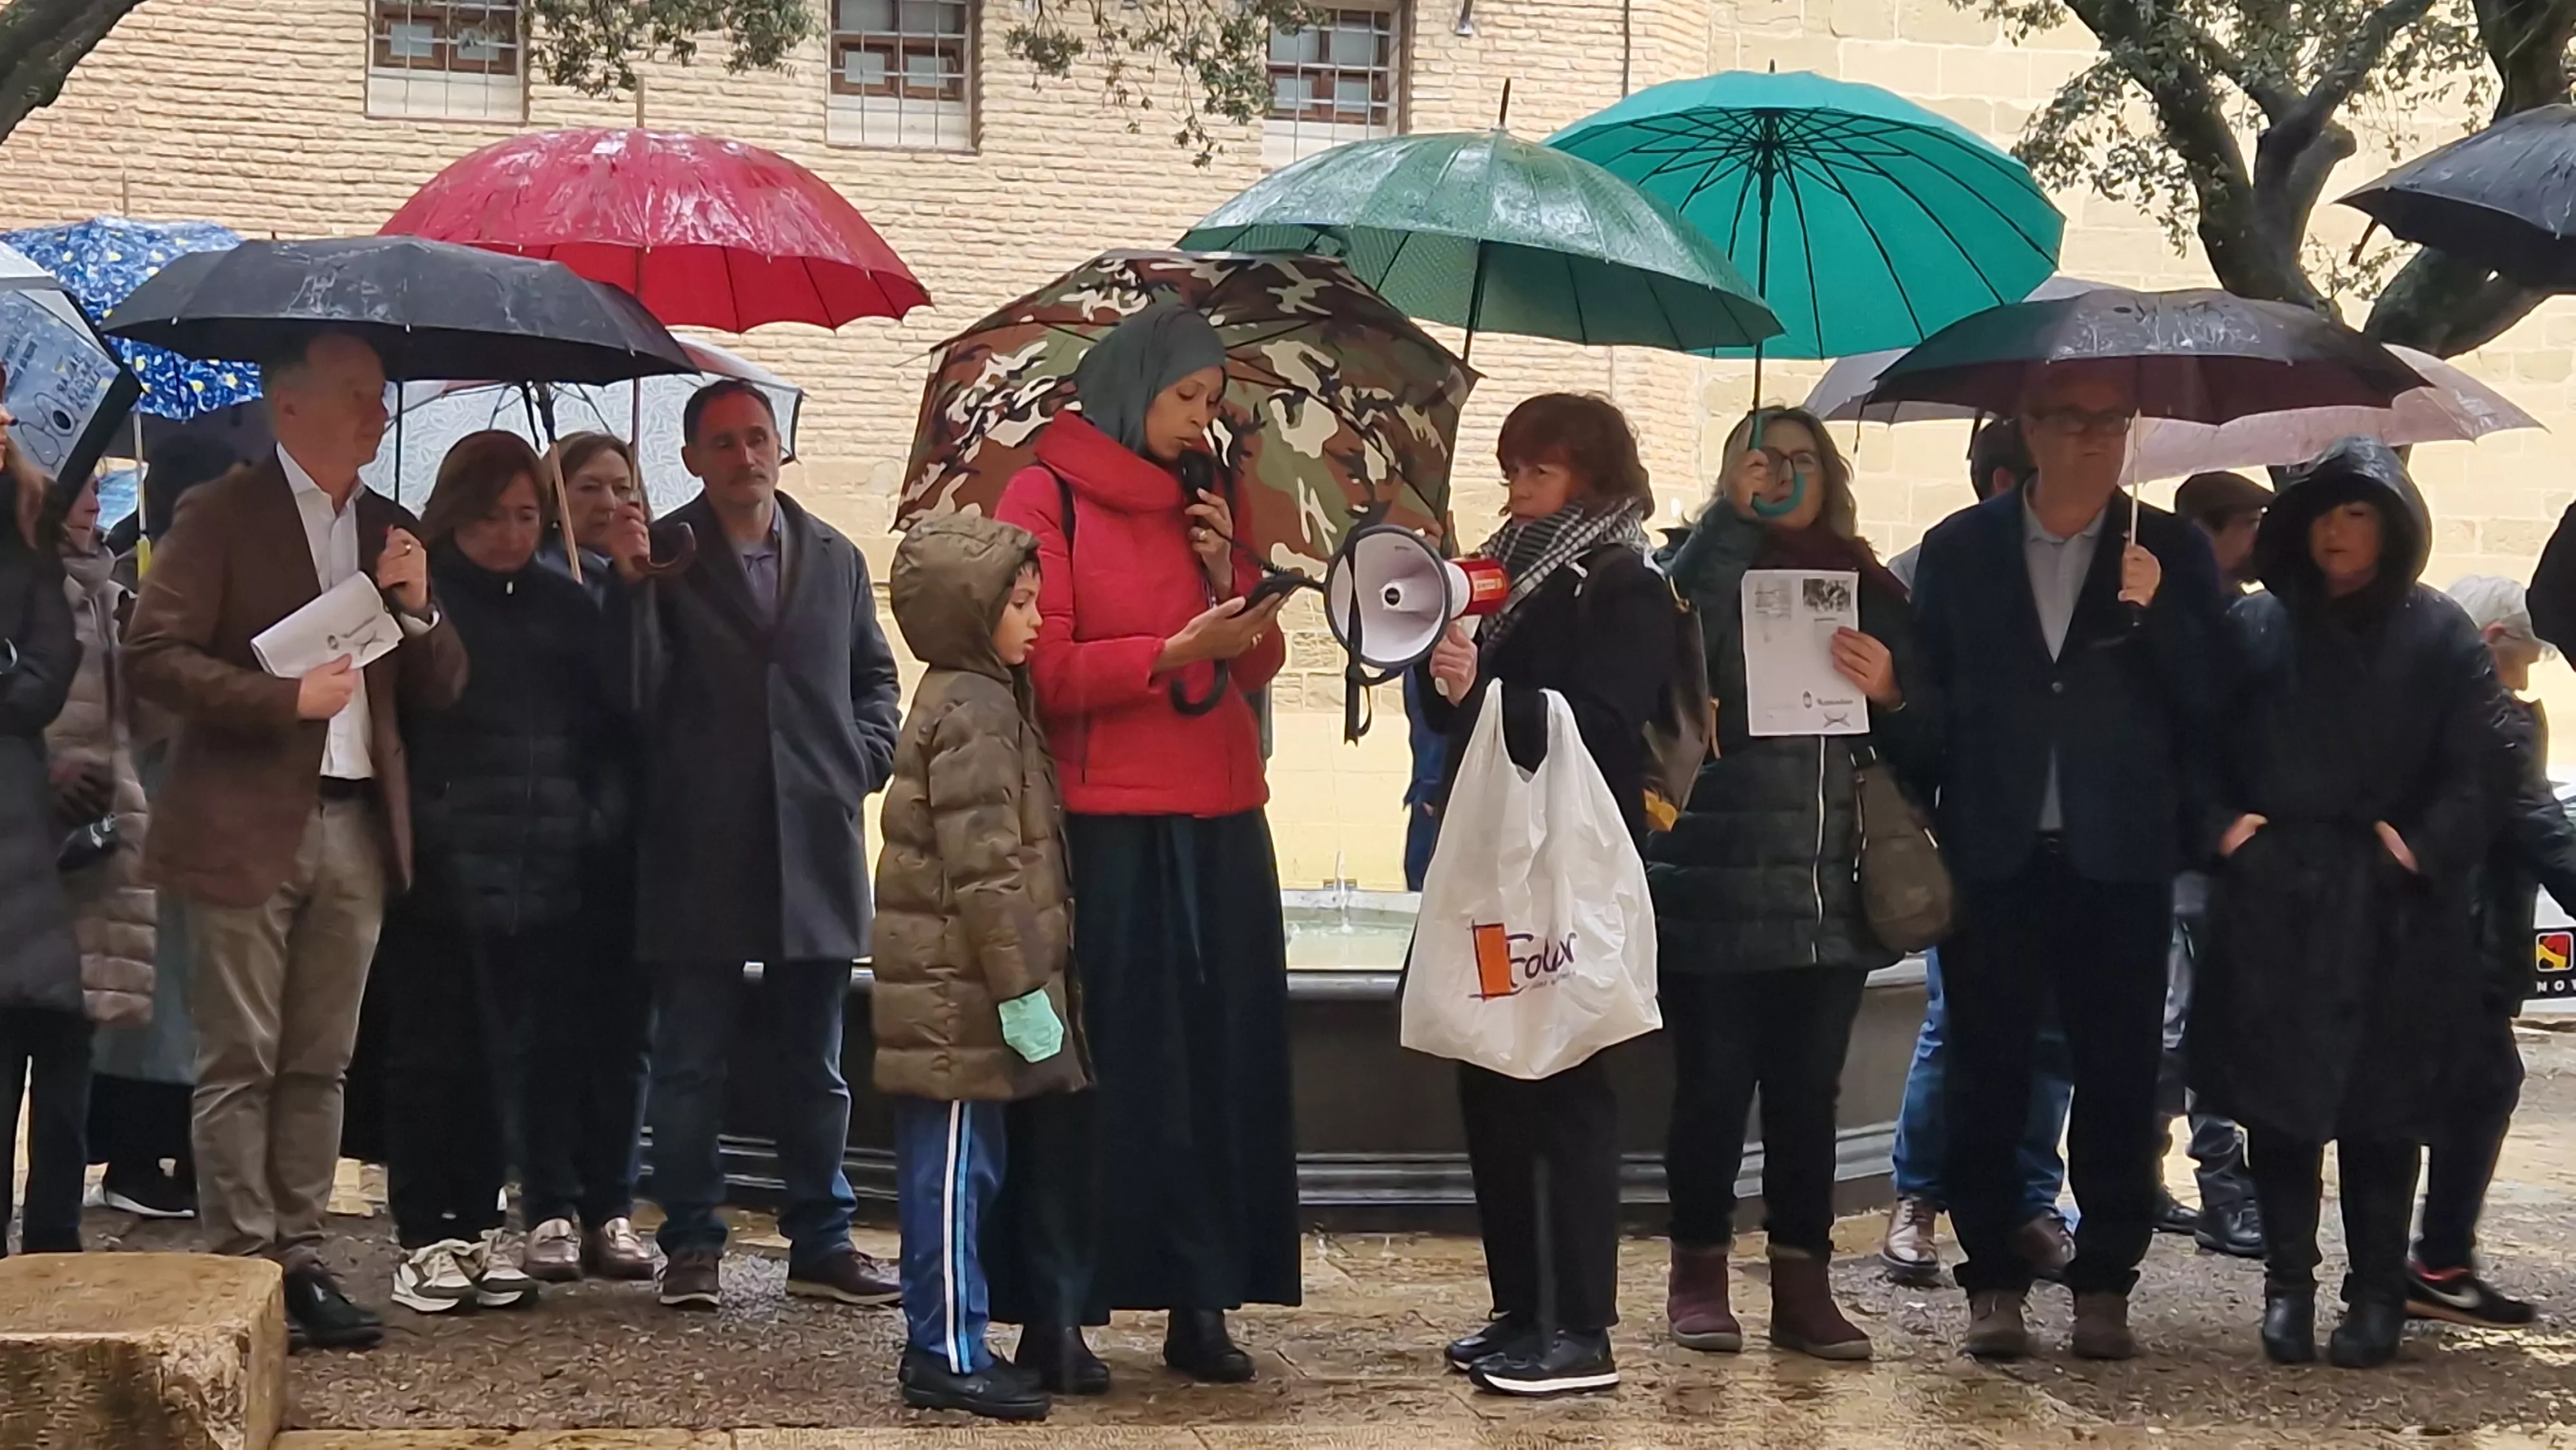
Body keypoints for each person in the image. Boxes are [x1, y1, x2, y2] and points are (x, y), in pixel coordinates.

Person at [126, 330, 469, 1350]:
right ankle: (239, 1264)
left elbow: (446, 687)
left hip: (358, 822)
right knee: (242, 1055)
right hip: (245, 822)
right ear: (291, 409)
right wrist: (281, 700)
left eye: (379, 395)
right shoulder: (222, 515)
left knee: (322, 1059)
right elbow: (151, 652)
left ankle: (302, 1254)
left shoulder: (390, 527)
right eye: (358, 395)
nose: (378, 412)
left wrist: (419, 606)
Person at [990, 305, 1293, 1392]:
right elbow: (1048, 669)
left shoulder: (1206, 503)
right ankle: (1056, 1309)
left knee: (1214, 1066)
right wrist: (1171, 650)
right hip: (1104, 825)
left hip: (1219, 819)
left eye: (1212, 402)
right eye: (1186, 398)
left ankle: (1200, 1295)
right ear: (1132, 390)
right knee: (1090, 1071)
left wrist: (1231, 582)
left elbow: (1259, 668)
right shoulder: (1045, 492)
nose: (1201, 419)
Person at [1908, 363, 2226, 1362]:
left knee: (2122, 1079)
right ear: (2029, 429)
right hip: (1996, 852)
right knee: (1987, 1073)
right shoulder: (1960, 551)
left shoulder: (2168, 547)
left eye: (2111, 422)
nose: (2093, 439)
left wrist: (2162, 612)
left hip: (2120, 857)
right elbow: (1935, 697)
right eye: (2070, 421)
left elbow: (2213, 701)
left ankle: (2106, 1281)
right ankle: (1992, 1280)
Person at [2201, 438, 2505, 1370]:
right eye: (2328, 511)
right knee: (2279, 1112)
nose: (2341, 531)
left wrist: (2421, 849)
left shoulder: (2441, 632)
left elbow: (2483, 759)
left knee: (2385, 1114)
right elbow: (2192, 739)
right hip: (2277, 903)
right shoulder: (2254, 628)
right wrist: (2225, 833)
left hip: (2391, 910)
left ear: (2394, 525)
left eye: (2362, 511)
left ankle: (2375, 1291)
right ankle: (2286, 1286)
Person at [605, 379, 902, 1313]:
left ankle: (822, 1239)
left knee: (814, 1062)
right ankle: (692, 1240)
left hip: (813, 838)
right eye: (724, 444)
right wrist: (629, 593)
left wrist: (863, 757)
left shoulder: (837, 556)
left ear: (781, 449)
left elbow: (873, 673)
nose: (746, 457)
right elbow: (628, 698)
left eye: (758, 438)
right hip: (699, 840)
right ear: (691, 461)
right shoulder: (663, 554)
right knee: (689, 1059)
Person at [1649, 408, 1931, 1362]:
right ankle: (1698, 1275)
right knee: (1712, 1088)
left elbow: (1931, 739)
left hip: (1830, 890)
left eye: (1801, 461)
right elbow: (1661, 650)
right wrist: (1727, 523)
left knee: (1809, 1093)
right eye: (1761, 461)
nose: (1782, 476)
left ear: (1831, 475)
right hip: (1714, 879)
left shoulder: (1868, 582)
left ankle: (1803, 1289)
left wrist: (1892, 691)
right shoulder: (1693, 568)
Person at [1417, 392, 1680, 1398]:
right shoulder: (1505, 573)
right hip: (1496, 860)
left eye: (1540, 471)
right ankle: (1520, 1304)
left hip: (1570, 867)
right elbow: (1462, 722)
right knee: (1492, 1072)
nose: (1519, 490)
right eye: (1513, 470)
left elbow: (1606, 727)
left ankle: (1580, 1322)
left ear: (1593, 477)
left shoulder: (1624, 582)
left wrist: (1485, 685)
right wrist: (1450, 676)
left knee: (1565, 1079)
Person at [368, 431, 636, 1312]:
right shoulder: (426, 596)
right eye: (496, 516)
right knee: (431, 1055)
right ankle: (424, 1226)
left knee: (503, 1056)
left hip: (547, 865)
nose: (514, 533)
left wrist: (589, 819)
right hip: (444, 867)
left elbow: (609, 730)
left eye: (529, 515)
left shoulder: (567, 605)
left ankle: (481, 1224)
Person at [873, 513, 1090, 1421]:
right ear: (973, 611)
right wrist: (1023, 993)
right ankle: (946, 1352)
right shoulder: (977, 709)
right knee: (954, 1173)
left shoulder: (983, 695)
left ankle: (952, 1338)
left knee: (965, 1171)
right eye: (1021, 602)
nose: (1036, 619)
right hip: (957, 1000)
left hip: (954, 992)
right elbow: (989, 870)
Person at [1880, 416, 2078, 1288]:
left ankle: (2033, 1199)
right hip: (1970, 829)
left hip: (2069, 833)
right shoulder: (1928, 573)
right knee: (1954, 1024)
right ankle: (1920, 1198)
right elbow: (1915, 714)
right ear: (2007, 483)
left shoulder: (2101, 561)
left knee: (2050, 1031)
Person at [2403, 575, 2575, 1329]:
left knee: (2451, 1089)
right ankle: (2432, 1263)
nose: (2529, 672)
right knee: (2476, 1086)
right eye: (2527, 656)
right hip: (2464, 942)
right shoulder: (2494, 722)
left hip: (2437, 934)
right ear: (2495, 642)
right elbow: (2540, 827)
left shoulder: (2428, 714)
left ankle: (2425, 1262)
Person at [2159, 467, 2274, 1260]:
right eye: (2251, 524)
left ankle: (2212, 1186)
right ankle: (2221, 1190)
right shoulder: (2191, 619)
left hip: (2227, 846)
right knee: (2177, 1027)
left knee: (2204, 1023)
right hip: (2184, 849)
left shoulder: (2242, 617)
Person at [48, 473, 162, 1222]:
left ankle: (55, 1240)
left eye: (97, 484)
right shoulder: (32, 588)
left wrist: (152, 634)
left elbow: (147, 724)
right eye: (76, 483)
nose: (92, 497)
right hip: (35, 832)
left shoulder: (111, 592)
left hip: (101, 835)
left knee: (70, 1047)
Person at [0, 466, 86, 1256]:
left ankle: (52, 1243)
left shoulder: (28, 562)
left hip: (22, 826)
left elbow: (40, 683)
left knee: (44, 1034)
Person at [2175, 471, 2271, 590]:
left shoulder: (2253, 607)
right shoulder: (2165, 603)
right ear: (2201, 531)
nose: (2263, 536)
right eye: (2251, 524)